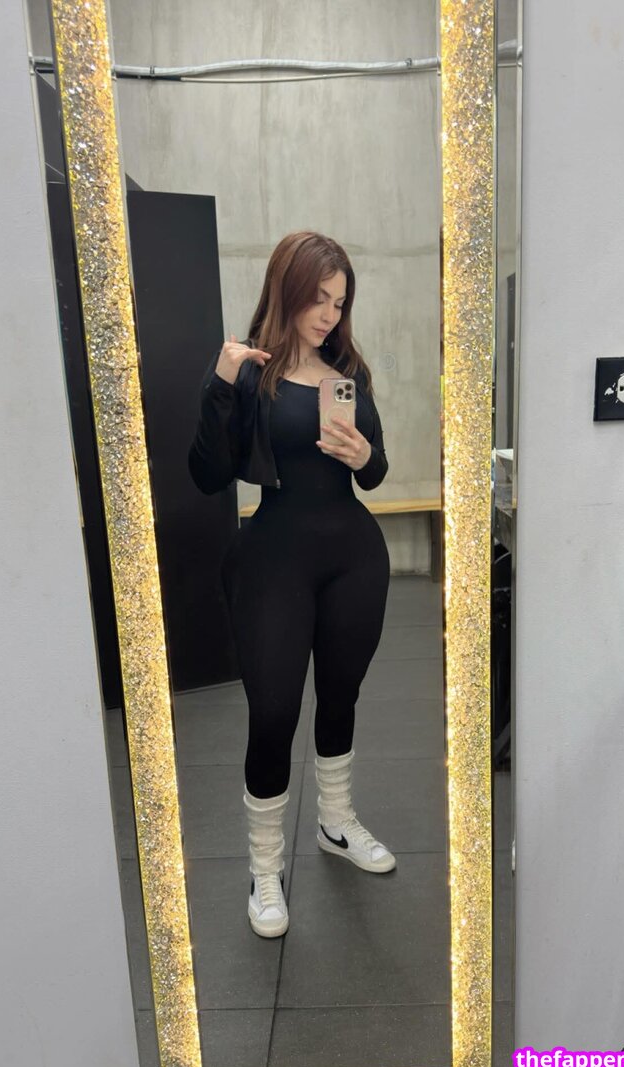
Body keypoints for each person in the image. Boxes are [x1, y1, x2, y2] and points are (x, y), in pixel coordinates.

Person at [188, 231, 395, 939]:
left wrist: (364, 455)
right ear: (288, 289)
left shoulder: (348, 373)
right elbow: (208, 475)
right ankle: (264, 866)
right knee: (273, 714)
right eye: (319, 299)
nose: (330, 315)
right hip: (273, 562)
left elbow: (376, 472)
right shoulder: (251, 373)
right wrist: (220, 382)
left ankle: (336, 823)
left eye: (340, 302)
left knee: (341, 697)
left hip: (353, 559)